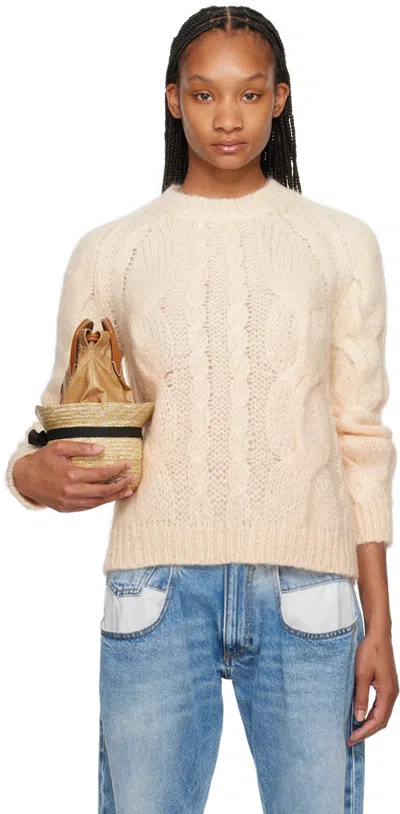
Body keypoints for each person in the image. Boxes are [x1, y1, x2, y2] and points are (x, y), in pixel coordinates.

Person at [6, 6, 399, 813]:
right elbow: (62, 413)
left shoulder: (341, 242)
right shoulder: (112, 249)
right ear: (172, 99)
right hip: (156, 588)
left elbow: (362, 437)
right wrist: (27, 474)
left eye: (250, 94)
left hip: (310, 589)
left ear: (280, 99)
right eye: (204, 93)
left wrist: (380, 624)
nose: (227, 117)